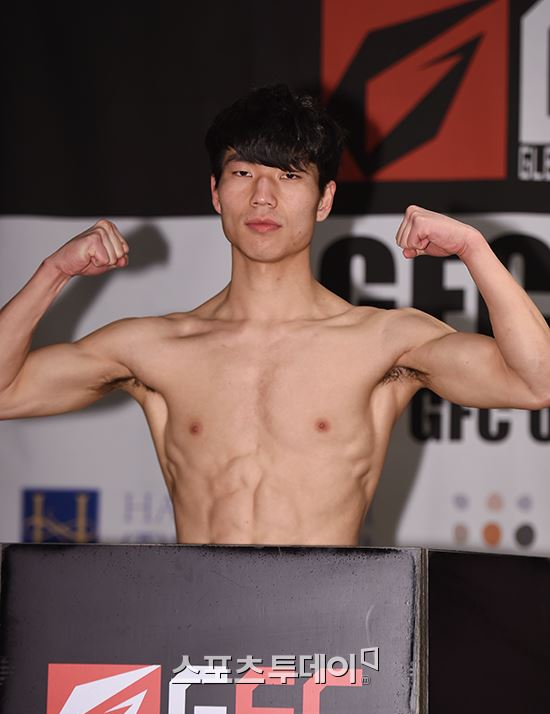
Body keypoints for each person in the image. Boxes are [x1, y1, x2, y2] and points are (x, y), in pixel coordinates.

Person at [1, 85, 549, 545]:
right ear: (216, 193)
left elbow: (536, 381)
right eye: (243, 173)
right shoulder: (156, 348)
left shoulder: (383, 342)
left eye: (288, 176)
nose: (263, 197)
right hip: (195, 623)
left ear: (324, 199)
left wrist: (474, 249)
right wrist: (54, 272)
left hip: (329, 630)